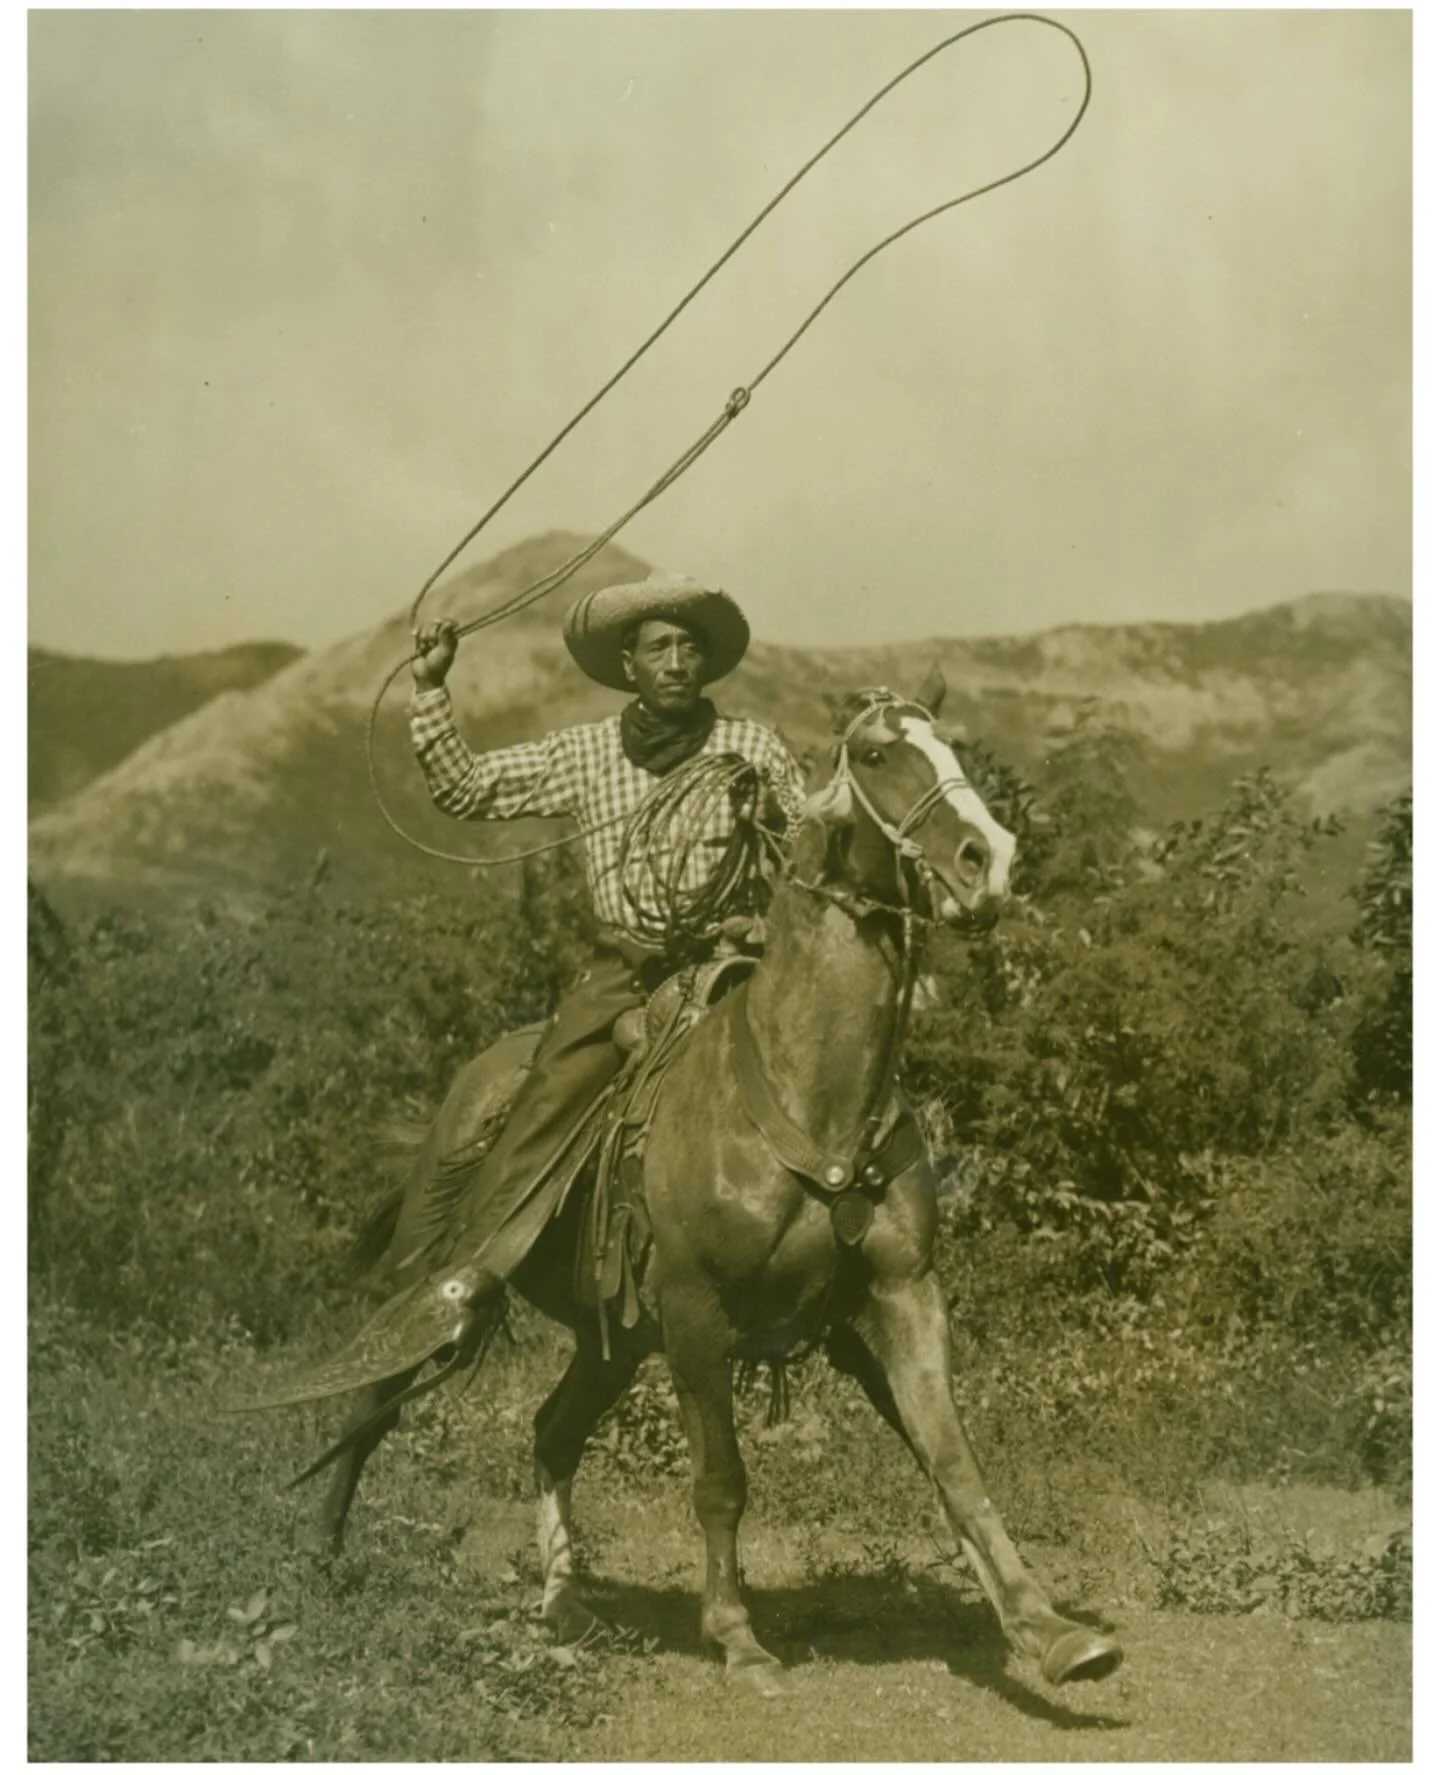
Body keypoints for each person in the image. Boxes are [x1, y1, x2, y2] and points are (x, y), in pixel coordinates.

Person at [406, 570, 808, 1267]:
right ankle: (471, 1272)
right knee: (546, 1102)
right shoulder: (585, 753)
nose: (676, 663)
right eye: (659, 649)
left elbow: (807, 844)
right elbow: (467, 788)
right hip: (626, 974)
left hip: (732, 968)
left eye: (688, 647)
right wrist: (431, 689)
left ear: (705, 660)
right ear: (630, 665)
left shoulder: (755, 748)